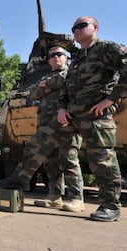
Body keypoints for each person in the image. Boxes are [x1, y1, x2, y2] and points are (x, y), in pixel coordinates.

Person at [0, 46, 85, 212]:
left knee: (69, 161)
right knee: (51, 164)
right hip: (47, 123)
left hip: (67, 125)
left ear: (66, 58)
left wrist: (47, 85)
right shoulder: (46, 76)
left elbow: (62, 81)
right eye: (52, 55)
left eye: (60, 54)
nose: (55, 57)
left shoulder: (73, 72)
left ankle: (76, 199)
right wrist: (48, 85)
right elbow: (33, 93)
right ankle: (54, 196)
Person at [57, 16, 127, 222]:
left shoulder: (107, 48)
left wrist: (111, 99)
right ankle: (70, 197)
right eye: (73, 28)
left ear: (95, 27)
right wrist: (61, 108)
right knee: (60, 153)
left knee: (102, 159)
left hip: (96, 114)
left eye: (81, 26)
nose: (76, 30)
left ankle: (110, 206)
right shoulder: (77, 59)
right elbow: (66, 88)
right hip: (72, 116)